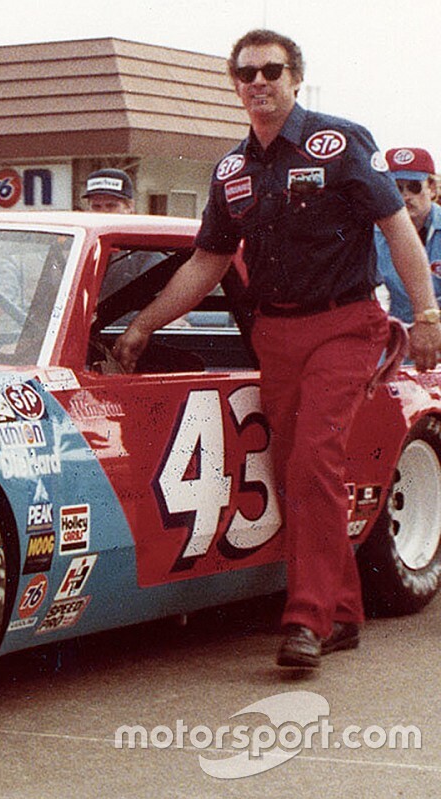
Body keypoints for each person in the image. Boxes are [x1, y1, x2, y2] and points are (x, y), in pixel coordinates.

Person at [112, 29, 441, 670]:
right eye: (246, 73)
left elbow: (397, 229)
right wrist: (143, 325)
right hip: (277, 333)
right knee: (294, 471)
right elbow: (208, 261)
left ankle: (306, 621)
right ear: (235, 85)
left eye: (271, 71)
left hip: (347, 325)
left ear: (295, 78)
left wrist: (427, 312)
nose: (258, 83)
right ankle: (343, 610)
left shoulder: (340, 142)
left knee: (315, 460)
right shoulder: (230, 171)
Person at [375, 148, 441, 323]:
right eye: (397, 188)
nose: (406, 196)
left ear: (432, 189)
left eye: (414, 187)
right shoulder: (371, 235)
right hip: (395, 331)